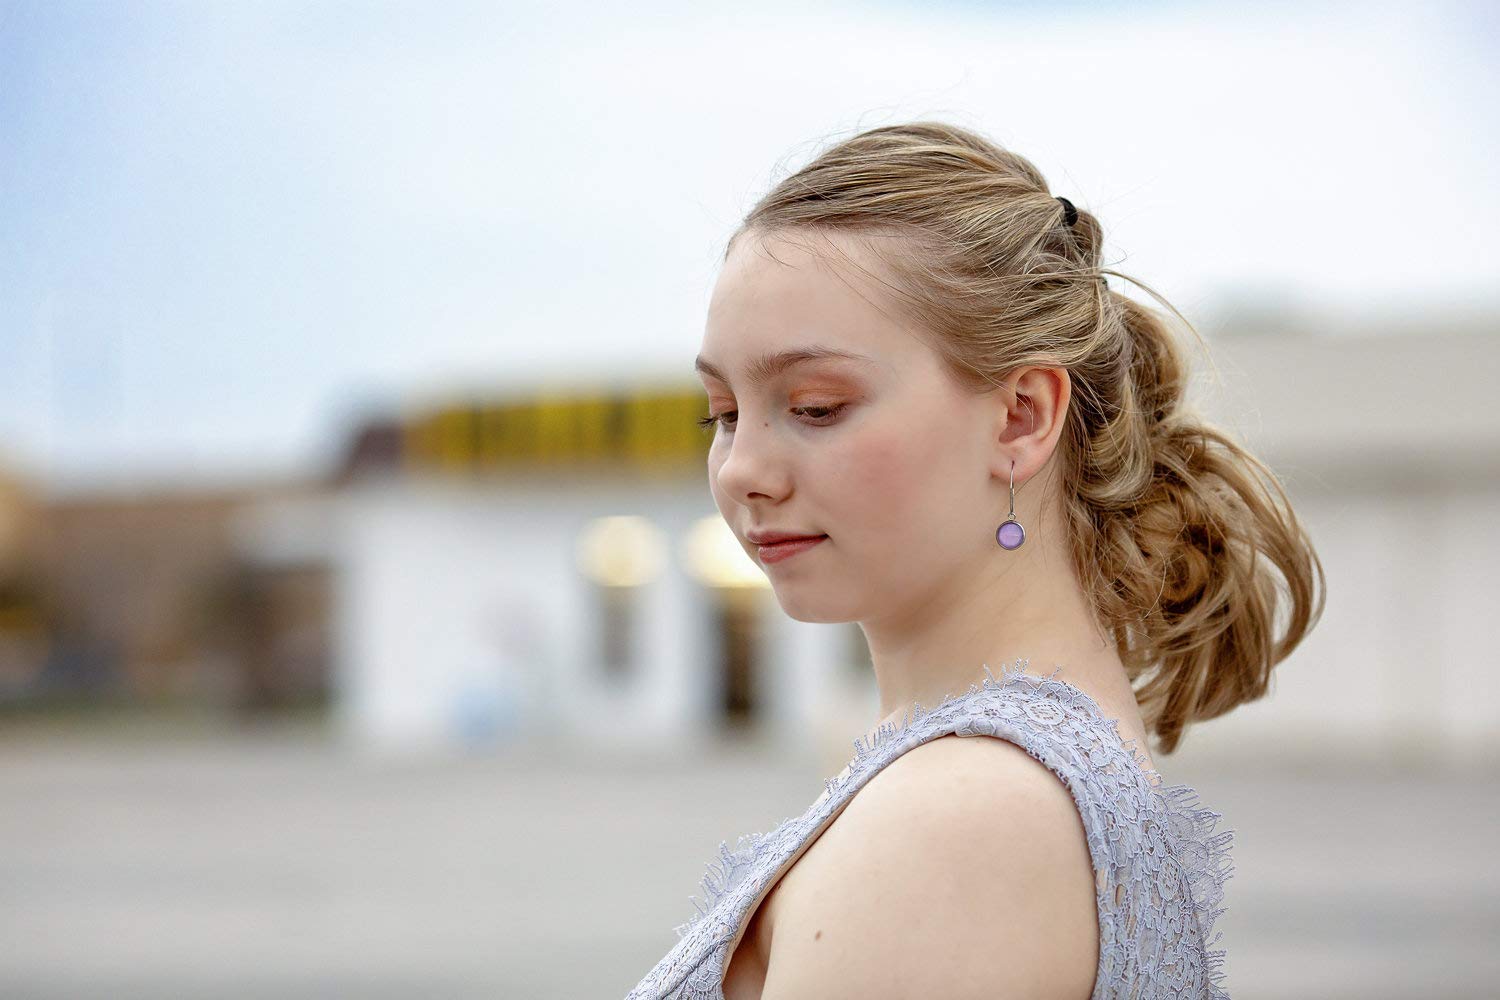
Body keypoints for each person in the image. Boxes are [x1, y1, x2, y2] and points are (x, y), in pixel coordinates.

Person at [626, 121, 1325, 1000]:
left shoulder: (964, 819)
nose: (743, 472)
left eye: (814, 406)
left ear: (1021, 417)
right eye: (723, 413)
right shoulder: (997, 782)